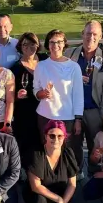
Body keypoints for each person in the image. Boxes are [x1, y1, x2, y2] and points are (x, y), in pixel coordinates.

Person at [25, 120, 79, 203]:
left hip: (60, 191)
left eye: (60, 136)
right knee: (38, 200)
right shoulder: (36, 154)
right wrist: (59, 200)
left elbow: (72, 184)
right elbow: (36, 186)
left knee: (70, 201)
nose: (56, 139)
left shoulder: (68, 153)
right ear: (45, 136)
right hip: (40, 192)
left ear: (64, 137)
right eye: (52, 135)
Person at [34, 29, 84, 166]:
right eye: (52, 42)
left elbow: (78, 95)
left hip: (67, 117)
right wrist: (42, 94)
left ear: (64, 44)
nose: (55, 45)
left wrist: (78, 119)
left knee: (67, 151)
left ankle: (70, 179)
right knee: (46, 151)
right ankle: (47, 178)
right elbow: (36, 91)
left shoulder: (74, 67)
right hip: (45, 116)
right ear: (47, 45)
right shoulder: (41, 65)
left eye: (59, 42)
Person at [66, 20, 103, 153]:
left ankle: (93, 173)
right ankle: (74, 172)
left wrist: (102, 114)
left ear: (100, 36)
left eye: (95, 34)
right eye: (88, 33)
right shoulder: (69, 55)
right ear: (82, 34)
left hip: (94, 110)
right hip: (72, 110)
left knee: (96, 147)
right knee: (72, 147)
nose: (91, 37)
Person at [10, 32, 42, 168]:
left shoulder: (45, 61)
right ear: (20, 47)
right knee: (25, 142)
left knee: (43, 141)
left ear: (37, 45)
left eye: (32, 43)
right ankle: (25, 170)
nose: (29, 47)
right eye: (25, 44)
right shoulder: (15, 68)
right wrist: (17, 96)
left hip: (45, 109)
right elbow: (10, 95)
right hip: (25, 112)